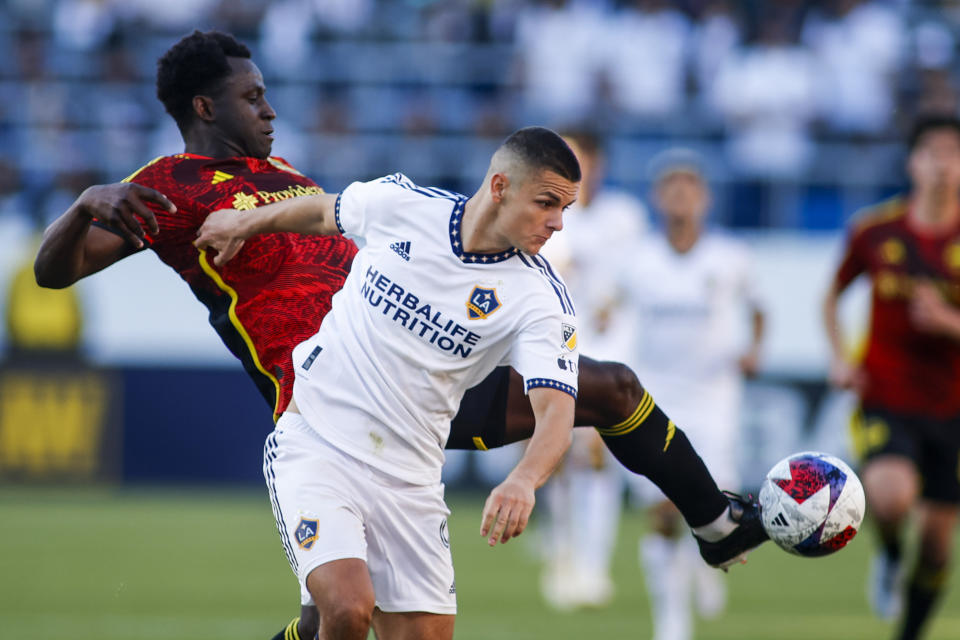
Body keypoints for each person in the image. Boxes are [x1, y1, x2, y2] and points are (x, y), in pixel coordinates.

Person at [34, 30, 767, 640]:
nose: (270, 109)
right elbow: (54, 272)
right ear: (204, 106)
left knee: (608, 389)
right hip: (325, 396)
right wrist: (85, 205)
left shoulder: (280, 172)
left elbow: (331, 216)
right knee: (345, 613)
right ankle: (716, 522)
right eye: (252, 97)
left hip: (420, 377)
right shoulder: (167, 188)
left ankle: (714, 522)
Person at [192, 125, 581, 640]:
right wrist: (245, 223)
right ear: (501, 186)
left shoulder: (539, 299)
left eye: (564, 210)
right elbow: (319, 211)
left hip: (411, 480)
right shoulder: (401, 204)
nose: (556, 223)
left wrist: (523, 479)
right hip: (319, 442)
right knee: (348, 608)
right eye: (547, 203)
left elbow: (556, 411)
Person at [823, 114, 960, 640]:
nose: (943, 166)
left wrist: (948, 321)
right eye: (933, 153)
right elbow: (832, 294)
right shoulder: (876, 231)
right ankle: (887, 555)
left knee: (938, 547)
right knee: (890, 497)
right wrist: (840, 356)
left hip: (951, 404)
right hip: (886, 392)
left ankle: (909, 632)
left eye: (953, 154)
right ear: (914, 162)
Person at [620, 149, 765, 640]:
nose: (680, 196)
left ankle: (707, 564)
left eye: (689, 187)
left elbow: (760, 308)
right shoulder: (638, 259)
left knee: (712, 508)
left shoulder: (730, 256)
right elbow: (610, 309)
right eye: (671, 187)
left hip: (714, 398)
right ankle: (671, 621)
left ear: (704, 198)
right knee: (663, 509)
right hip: (655, 396)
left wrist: (754, 349)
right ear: (658, 197)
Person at [537, 130, 648, 610]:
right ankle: (563, 552)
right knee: (557, 456)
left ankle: (594, 563)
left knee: (598, 454)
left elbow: (638, 280)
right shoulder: (553, 217)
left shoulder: (626, 217)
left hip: (613, 350)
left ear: (596, 163)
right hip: (557, 347)